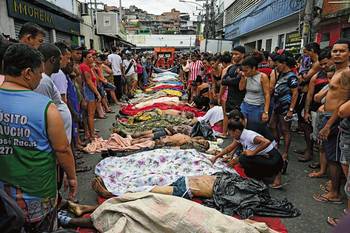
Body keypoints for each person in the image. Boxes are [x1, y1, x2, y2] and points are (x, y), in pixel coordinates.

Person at [0, 43, 77, 232]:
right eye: (38, 73)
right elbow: (62, 149)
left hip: (4, 196)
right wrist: (72, 177)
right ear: (27, 73)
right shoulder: (45, 106)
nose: (40, 78)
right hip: (37, 192)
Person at [313, 39, 350, 204]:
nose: (337, 54)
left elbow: (343, 101)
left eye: (341, 51)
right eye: (335, 51)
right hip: (328, 116)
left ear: (349, 53)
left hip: (335, 120)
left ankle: (335, 193)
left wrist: (329, 125)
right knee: (330, 154)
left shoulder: (346, 73)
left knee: (334, 158)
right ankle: (333, 185)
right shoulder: (336, 70)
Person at [211, 120, 283, 188]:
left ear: (236, 131)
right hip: (267, 157)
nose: (231, 136)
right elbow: (229, 148)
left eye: (231, 133)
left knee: (243, 158)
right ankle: (260, 175)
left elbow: (267, 141)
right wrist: (216, 157)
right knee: (243, 158)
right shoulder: (240, 136)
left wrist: (253, 152)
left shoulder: (249, 135)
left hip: (274, 160)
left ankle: (271, 172)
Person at [303, 48, 334, 174]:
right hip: (317, 112)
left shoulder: (341, 75)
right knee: (320, 142)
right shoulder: (317, 76)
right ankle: (322, 167)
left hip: (334, 114)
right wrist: (306, 111)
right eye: (321, 64)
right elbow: (310, 96)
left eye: (326, 63)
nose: (324, 66)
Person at [269, 51, 298, 174]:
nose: (276, 67)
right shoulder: (280, 74)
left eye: (278, 65)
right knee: (272, 125)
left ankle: (285, 153)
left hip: (286, 107)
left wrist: (291, 110)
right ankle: (276, 145)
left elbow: (295, 93)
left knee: (285, 129)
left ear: (284, 63)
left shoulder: (292, 76)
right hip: (277, 105)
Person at [295, 42, 321, 161]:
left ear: (312, 51)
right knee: (303, 124)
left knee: (307, 125)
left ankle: (309, 152)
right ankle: (307, 148)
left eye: (306, 52)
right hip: (304, 93)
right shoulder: (309, 62)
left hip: (309, 95)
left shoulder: (317, 64)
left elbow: (304, 78)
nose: (305, 55)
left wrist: (301, 77)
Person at [220, 46, 246, 137]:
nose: (234, 56)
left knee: (239, 123)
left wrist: (230, 80)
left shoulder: (244, 67)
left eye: (236, 54)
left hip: (240, 98)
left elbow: (237, 83)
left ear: (243, 55)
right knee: (229, 117)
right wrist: (232, 80)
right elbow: (223, 81)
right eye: (233, 54)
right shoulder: (231, 67)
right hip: (230, 97)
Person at [239, 56, 270, 125]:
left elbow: (267, 94)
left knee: (253, 127)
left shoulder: (262, 77)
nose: (244, 72)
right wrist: (242, 77)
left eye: (246, 70)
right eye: (243, 70)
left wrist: (266, 112)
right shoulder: (246, 76)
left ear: (253, 68)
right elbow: (241, 88)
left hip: (257, 106)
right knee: (242, 125)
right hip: (245, 104)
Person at [80, 50, 101, 141]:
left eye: (92, 57)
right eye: (89, 57)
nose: (92, 59)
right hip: (88, 91)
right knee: (90, 114)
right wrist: (97, 93)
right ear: (84, 58)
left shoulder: (86, 67)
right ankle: (92, 134)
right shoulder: (84, 67)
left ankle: (87, 133)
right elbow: (89, 82)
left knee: (86, 115)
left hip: (86, 91)